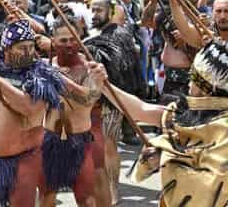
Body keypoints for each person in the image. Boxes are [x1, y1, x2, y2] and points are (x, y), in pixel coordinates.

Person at [96, 39, 228, 206]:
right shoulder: (184, 113)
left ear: (207, 86)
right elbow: (141, 109)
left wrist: (168, 156)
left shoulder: (223, 128)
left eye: (194, 76)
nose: (189, 80)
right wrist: (104, 86)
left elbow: (209, 185)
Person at [0, 19, 64, 207]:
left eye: (30, 46)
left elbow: (29, 108)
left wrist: (0, 83)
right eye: (22, 47)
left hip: (23, 159)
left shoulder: (41, 76)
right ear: (7, 50)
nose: (29, 52)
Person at [41, 16, 110, 207]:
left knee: (86, 198)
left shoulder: (91, 69)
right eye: (63, 40)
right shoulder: (45, 67)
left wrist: (61, 79)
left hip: (80, 140)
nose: (69, 44)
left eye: (73, 39)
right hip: (51, 139)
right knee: (47, 195)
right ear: (53, 41)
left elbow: (88, 100)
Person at [84, 0, 144, 205]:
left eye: (99, 10)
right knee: (95, 146)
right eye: (92, 9)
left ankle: (113, 190)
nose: (94, 14)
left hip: (112, 99)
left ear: (110, 12)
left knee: (110, 144)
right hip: (94, 98)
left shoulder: (119, 34)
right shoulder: (94, 34)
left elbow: (119, 64)